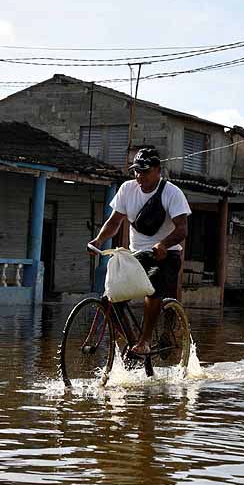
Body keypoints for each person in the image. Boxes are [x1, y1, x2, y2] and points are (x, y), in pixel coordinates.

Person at [89, 148, 190, 356]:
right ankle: (132, 340)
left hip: (166, 255)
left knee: (153, 288)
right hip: (137, 256)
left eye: (144, 171)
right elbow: (115, 221)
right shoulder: (127, 189)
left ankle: (144, 341)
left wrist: (163, 244)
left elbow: (182, 229)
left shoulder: (172, 193)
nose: (139, 176)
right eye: (136, 171)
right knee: (110, 298)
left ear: (158, 170)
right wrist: (99, 240)